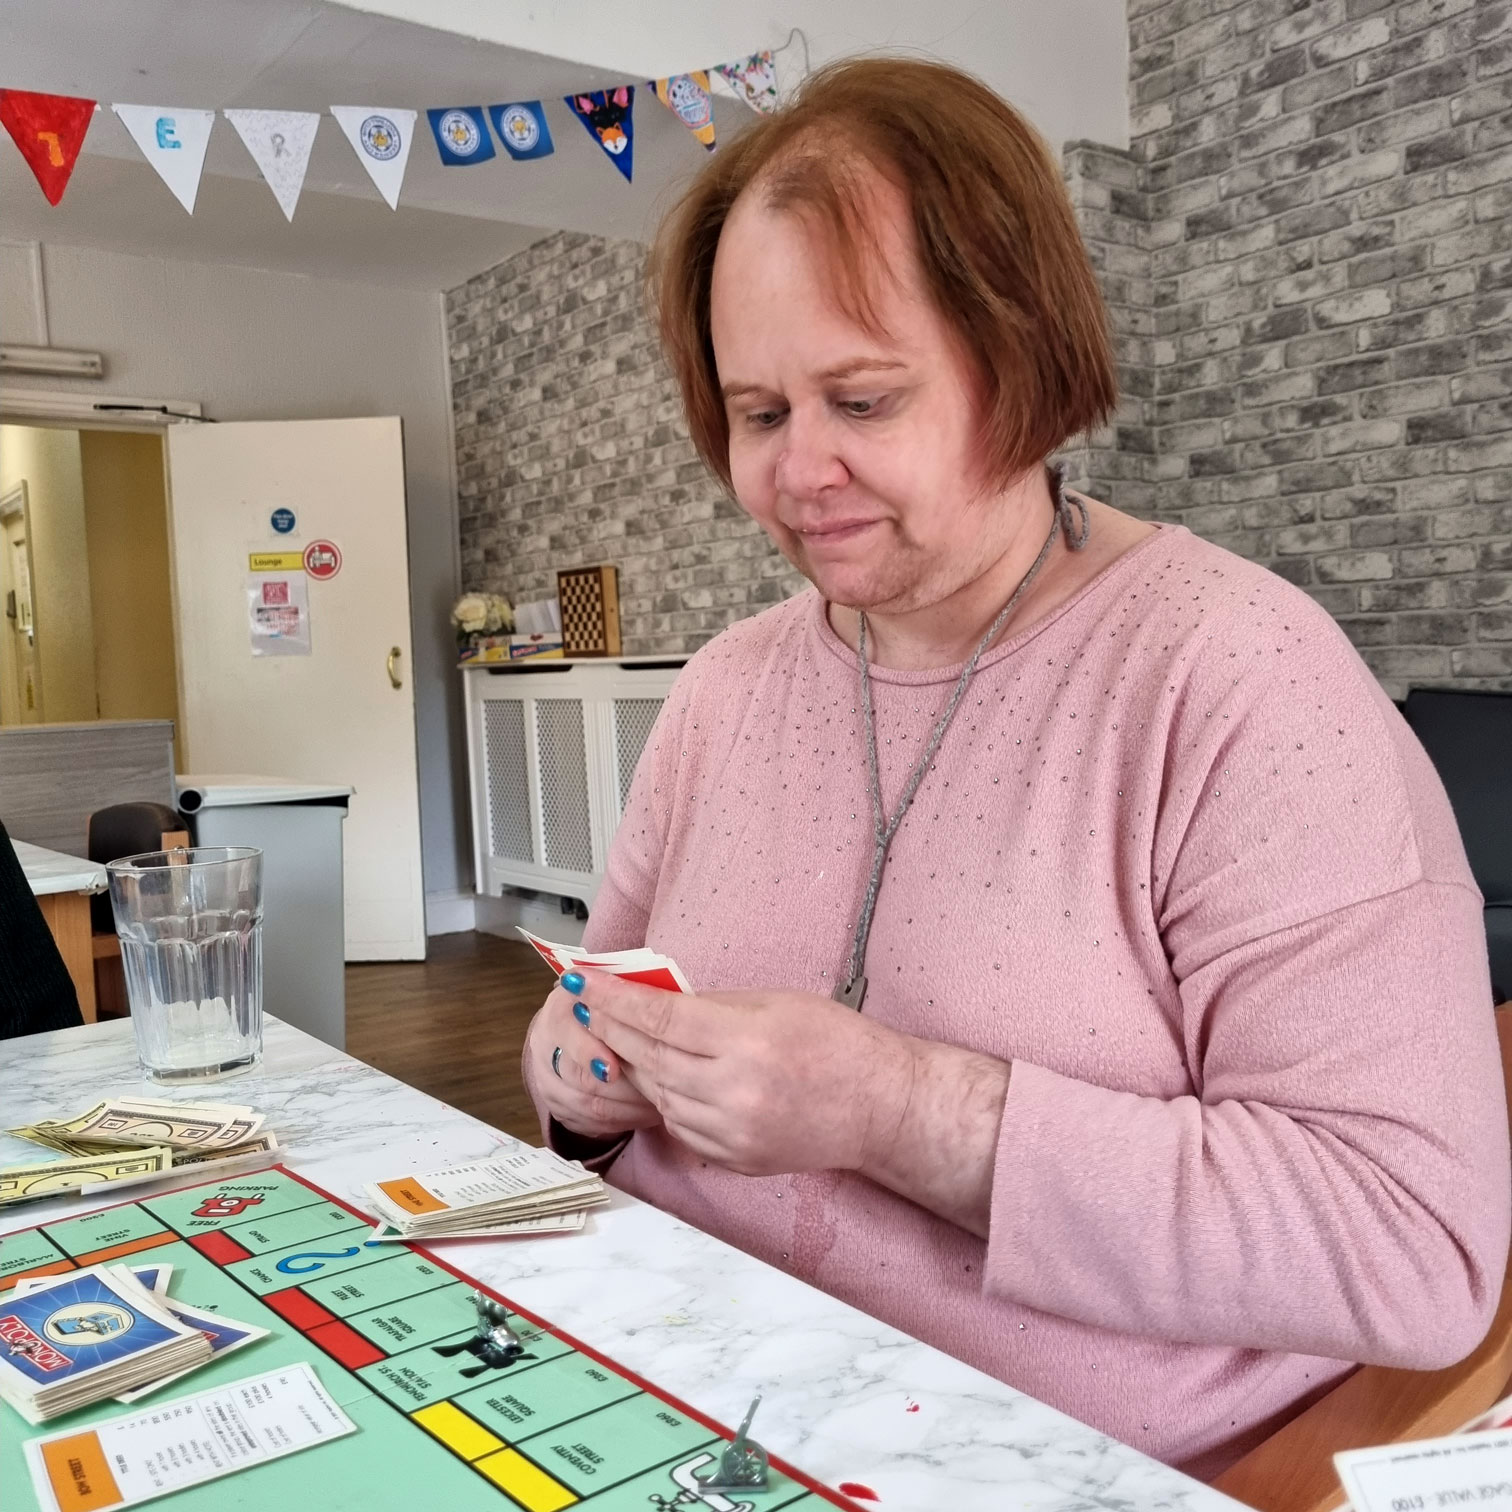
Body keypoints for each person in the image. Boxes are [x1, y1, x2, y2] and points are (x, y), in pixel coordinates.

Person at [522, 57, 1511, 1477]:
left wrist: (903, 1111)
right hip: (659, 1400)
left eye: (864, 401)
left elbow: (1410, 1249)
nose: (798, 474)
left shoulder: (1244, 683)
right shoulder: (726, 687)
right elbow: (595, 1013)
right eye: (760, 414)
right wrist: (576, 1087)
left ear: (1027, 364)